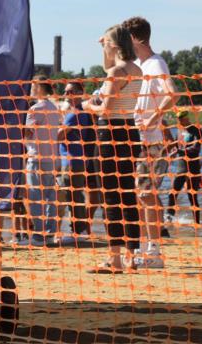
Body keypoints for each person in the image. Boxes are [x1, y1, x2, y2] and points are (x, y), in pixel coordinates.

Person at [83, 24, 144, 272]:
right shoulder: (136, 69)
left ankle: (115, 259)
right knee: (127, 194)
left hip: (110, 134)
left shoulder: (116, 72)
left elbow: (106, 109)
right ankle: (131, 257)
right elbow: (110, 67)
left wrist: (88, 106)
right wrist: (104, 48)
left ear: (115, 45)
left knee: (110, 196)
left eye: (106, 43)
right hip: (130, 131)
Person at [123, 16, 176, 266]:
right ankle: (144, 247)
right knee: (138, 194)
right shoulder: (137, 65)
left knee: (146, 193)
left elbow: (172, 94)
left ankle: (154, 251)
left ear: (135, 39)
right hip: (135, 139)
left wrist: (153, 119)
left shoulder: (156, 64)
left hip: (151, 141)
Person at [20, 78, 63, 245]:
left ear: (39, 87)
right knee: (50, 197)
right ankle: (50, 234)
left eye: (33, 86)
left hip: (36, 156)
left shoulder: (35, 108)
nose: (31, 88)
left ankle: (39, 235)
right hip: (51, 157)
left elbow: (28, 133)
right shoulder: (53, 107)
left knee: (36, 196)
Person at [56, 81, 101, 239]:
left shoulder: (74, 114)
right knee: (74, 195)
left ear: (79, 93)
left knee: (73, 196)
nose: (65, 95)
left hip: (72, 160)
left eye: (70, 92)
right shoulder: (78, 113)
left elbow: (58, 136)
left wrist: (56, 125)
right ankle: (79, 230)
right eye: (65, 91)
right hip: (76, 159)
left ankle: (79, 230)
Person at [167, 109, 202, 225]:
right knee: (172, 194)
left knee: (192, 196)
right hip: (181, 167)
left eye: (181, 120)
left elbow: (196, 148)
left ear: (186, 118)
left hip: (193, 167)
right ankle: (169, 220)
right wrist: (170, 151)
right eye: (178, 120)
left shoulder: (196, 130)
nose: (179, 122)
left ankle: (197, 224)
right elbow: (176, 145)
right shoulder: (179, 130)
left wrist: (179, 151)